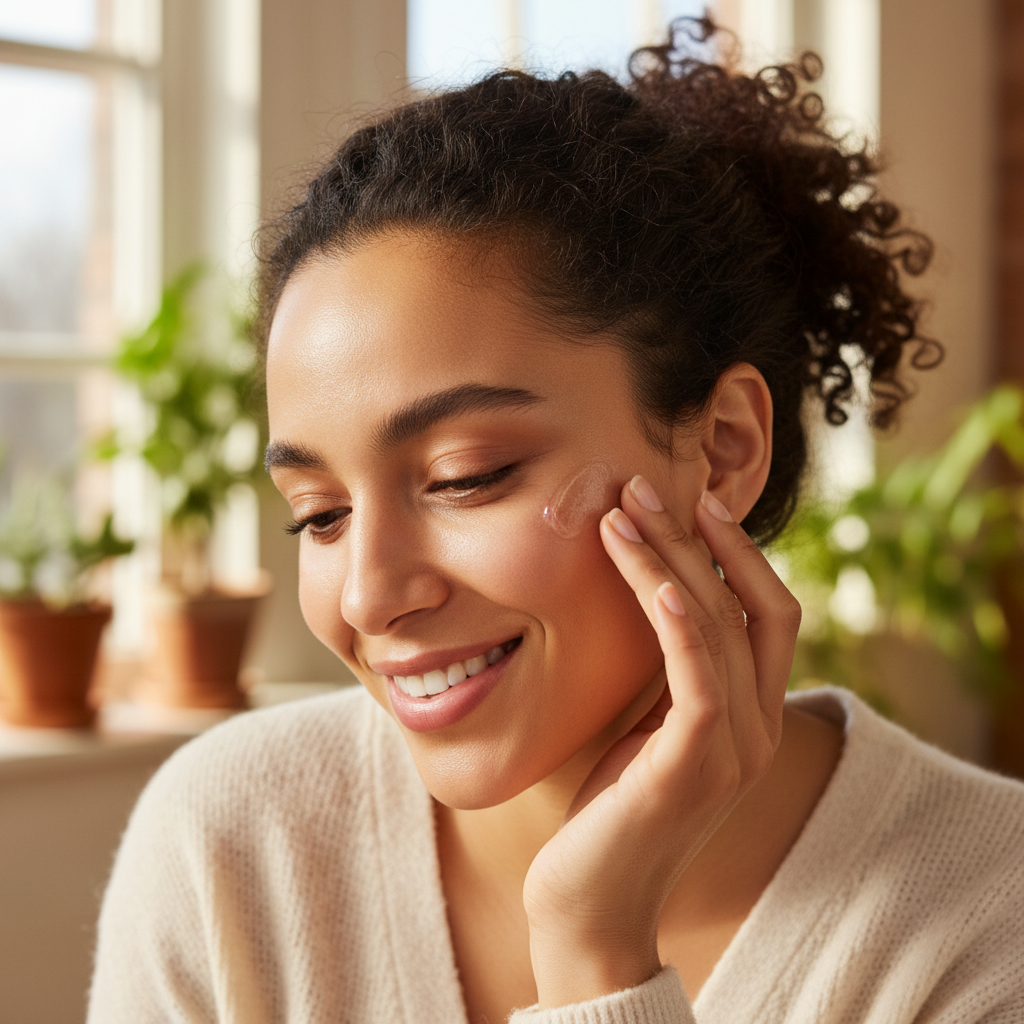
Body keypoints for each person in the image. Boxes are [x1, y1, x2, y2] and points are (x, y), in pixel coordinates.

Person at [89, 18, 1024, 1024]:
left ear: (722, 448)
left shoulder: (984, 918)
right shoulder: (233, 842)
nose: (369, 593)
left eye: (465, 475)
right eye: (318, 514)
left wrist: (594, 947)